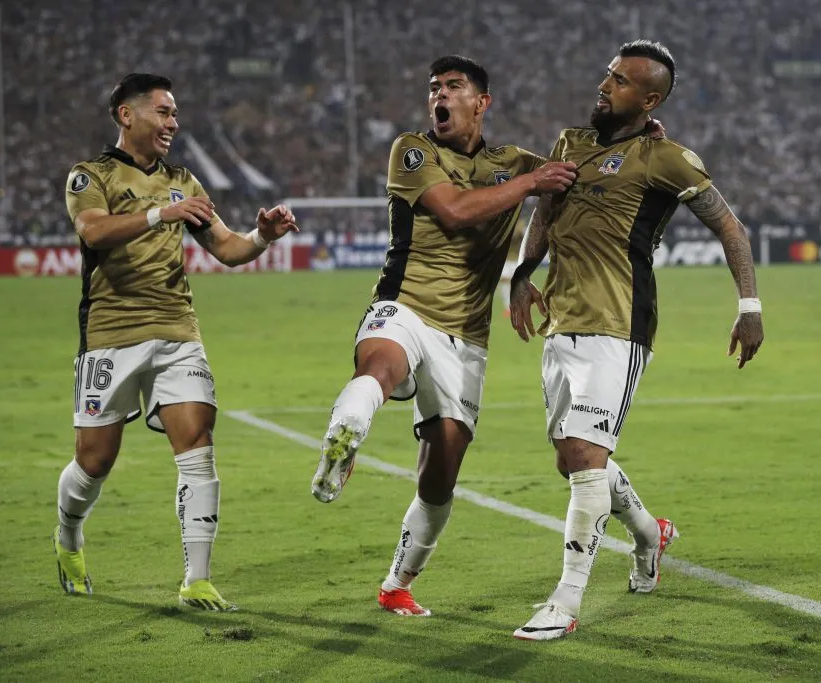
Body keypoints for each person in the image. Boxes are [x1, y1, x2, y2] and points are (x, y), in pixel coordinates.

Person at [508, 40, 765, 640]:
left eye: (620, 81)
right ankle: (650, 534)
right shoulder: (571, 143)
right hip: (562, 320)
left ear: (648, 99)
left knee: (587, 460)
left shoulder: (666, 159)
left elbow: (729, 225)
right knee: (572, 459)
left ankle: (566, 603)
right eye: (608, 74)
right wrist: (524, 271)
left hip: (620, 324)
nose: (605, 85)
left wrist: (748, 306)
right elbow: (544, 215)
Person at [309, 56, 578, 617]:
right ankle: (346, 430)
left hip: (467, 335)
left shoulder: (511, 161)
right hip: (403, 305)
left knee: (444, 465)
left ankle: (396, 585)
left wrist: (633, 138)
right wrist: (531, 183)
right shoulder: (414, 150)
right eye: (434, 87)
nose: (441, 94)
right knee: (380, 368)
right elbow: (453, 213)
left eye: (454, 86)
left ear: (482, 103)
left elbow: (573, 172)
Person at [54, 73, 299, 611]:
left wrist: (262, 235)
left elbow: (228, 249)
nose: (173, 123)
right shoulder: (89, 175)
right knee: (94, 462)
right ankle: (69, 533)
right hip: (110, 334)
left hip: (176, 330)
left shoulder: (185, 181)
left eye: (174, 113)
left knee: (197, 444)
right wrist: (159, 213)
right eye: (163, 112)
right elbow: (93, 231)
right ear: (126, 114)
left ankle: (197, 579)